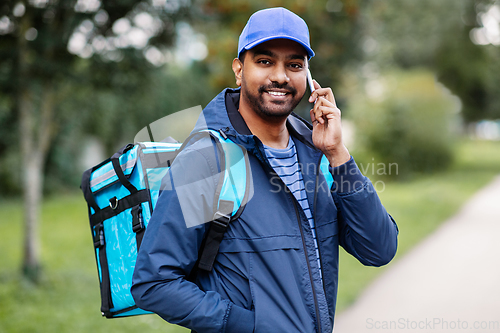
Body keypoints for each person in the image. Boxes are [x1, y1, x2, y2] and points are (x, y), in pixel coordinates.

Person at [131, 7, 398, 333]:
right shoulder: (207, 160)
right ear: (239, 69)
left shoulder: (318, 157)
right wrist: (249, 325)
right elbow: (154, 283)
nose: (281, 76)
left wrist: (338, 153)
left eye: (295, 65)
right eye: (265, 61)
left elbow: (379, 248)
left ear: (309, 79)